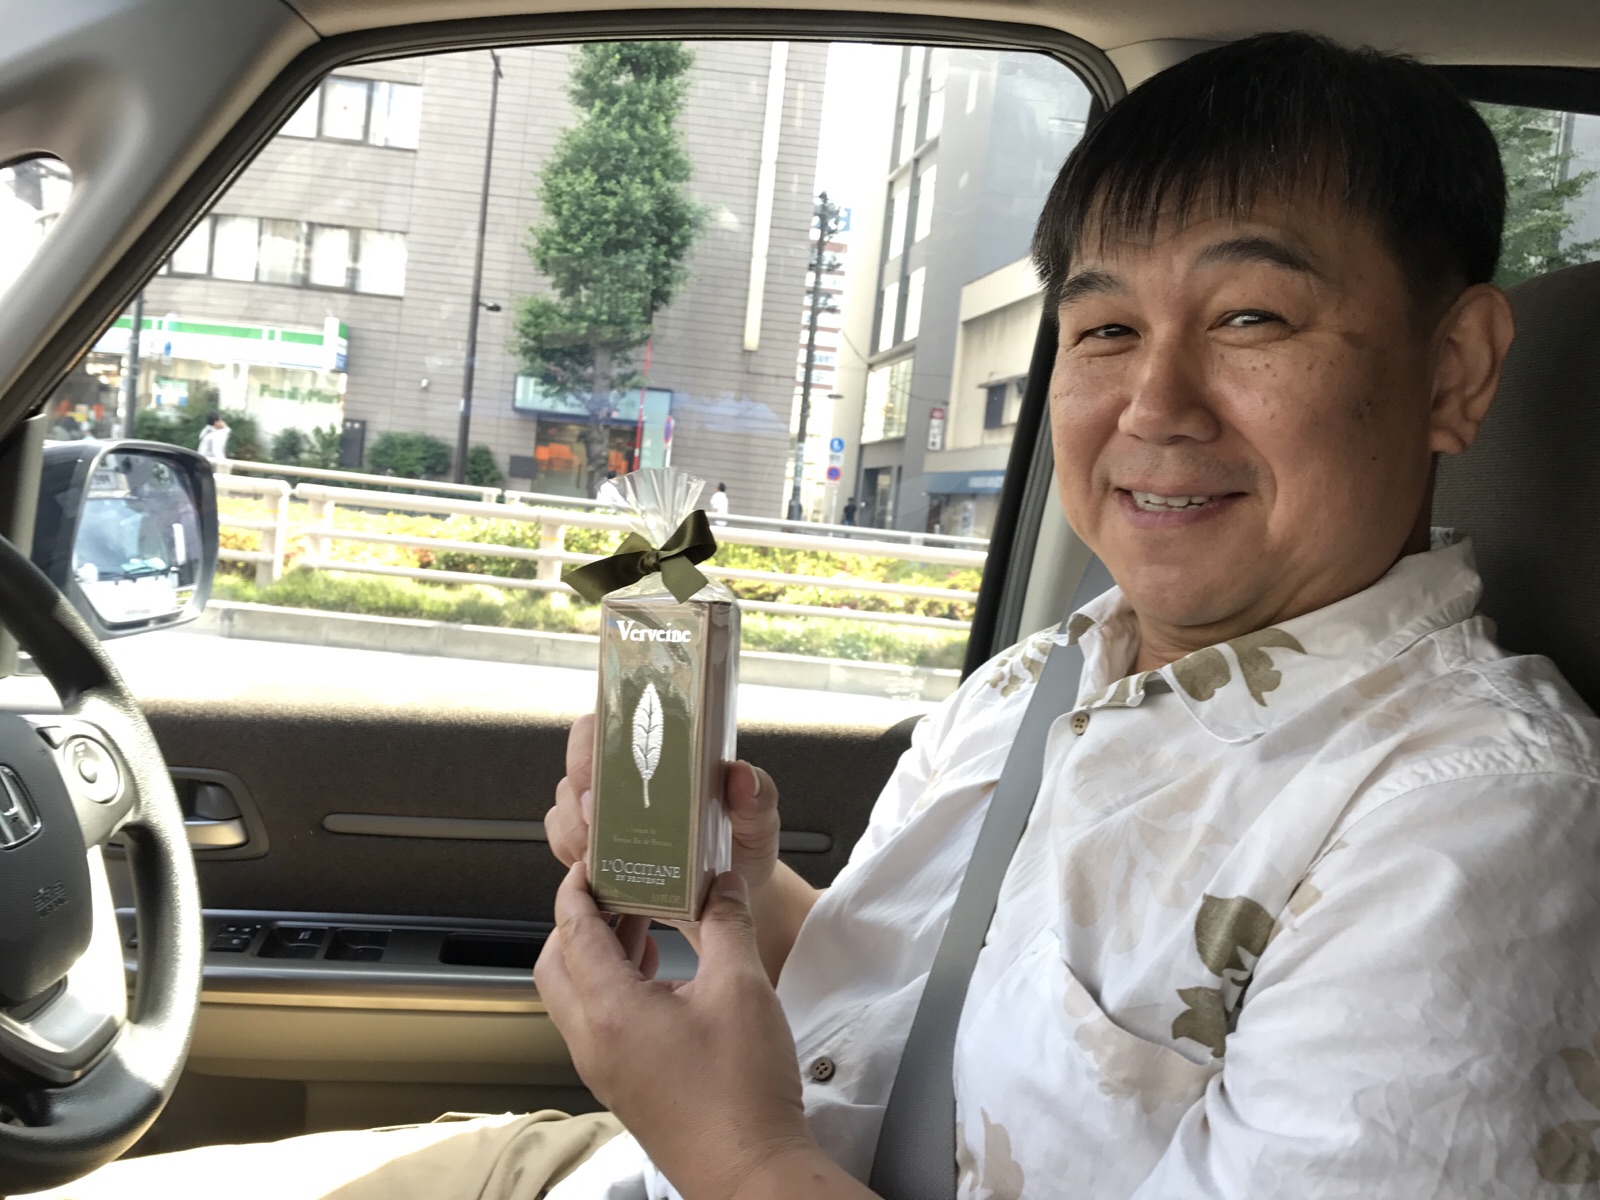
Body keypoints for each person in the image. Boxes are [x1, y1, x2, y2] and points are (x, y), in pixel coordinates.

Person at [33, 32, 1600, 1200]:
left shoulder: (1474, 829)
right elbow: (922, 1016)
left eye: (1252, 317)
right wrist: (747, 894)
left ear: (1455, 369)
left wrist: (737, 1155)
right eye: (1105, 329)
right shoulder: (1052, 675)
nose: (1154, 404)